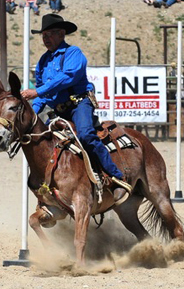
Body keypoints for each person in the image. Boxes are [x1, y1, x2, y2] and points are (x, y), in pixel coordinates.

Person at [20, 14, 131, 202]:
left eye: (50, 34)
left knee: (86, 134)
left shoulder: (74, 53)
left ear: (62, 33)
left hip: (79, 104)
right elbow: (44, 96)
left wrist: (37, 92)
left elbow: (67, 77)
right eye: (43, 35)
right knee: (40, 141)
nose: (46, 38)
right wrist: (31, 115)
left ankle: (116, 178)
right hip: (59, 110)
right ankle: (50, 187)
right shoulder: (42, 62)